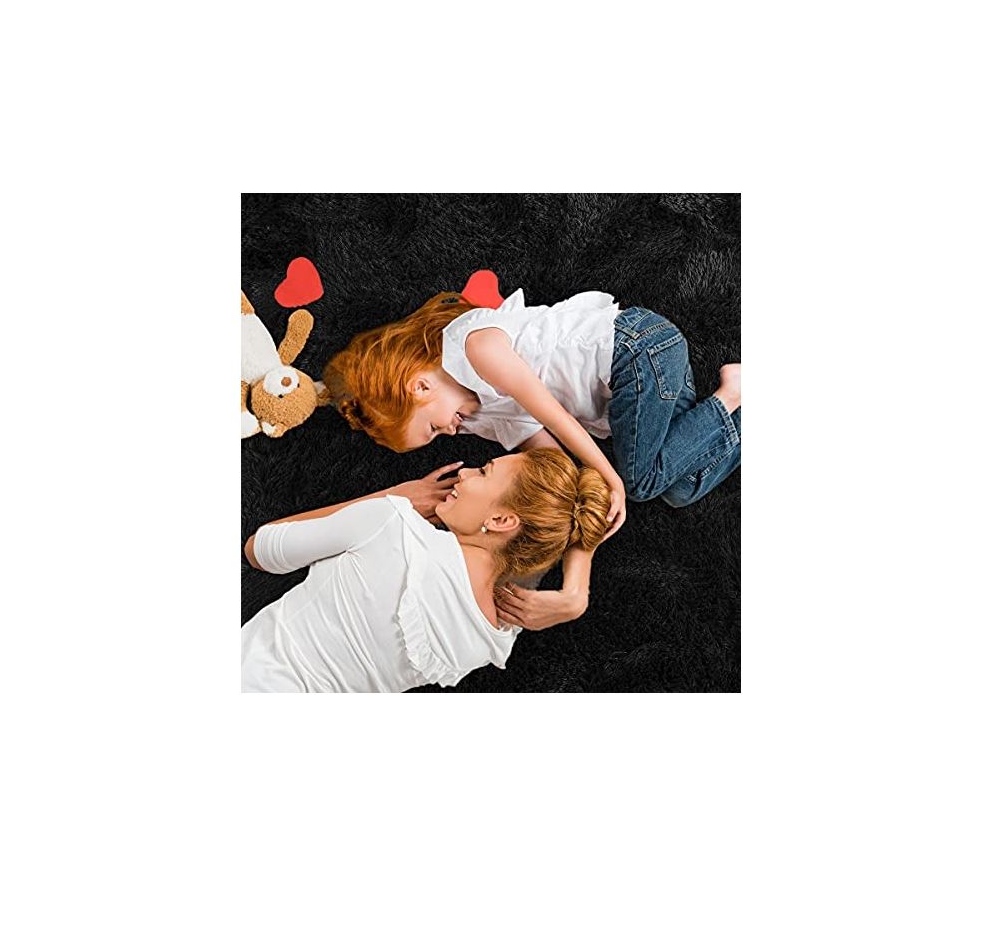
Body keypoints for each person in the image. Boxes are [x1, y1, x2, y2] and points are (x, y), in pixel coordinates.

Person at [320, 286, 741, 627]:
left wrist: (611, 476)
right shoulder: (482, 419)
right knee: (681, 488)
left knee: (640, 481)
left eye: (433, 427)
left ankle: (732, 394)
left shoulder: (474, 346)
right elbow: (564, 480)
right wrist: (576, 588)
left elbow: (553, 415)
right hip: (640, 391)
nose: (449, 432)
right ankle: (734, 404)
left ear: (419, 388)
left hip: (636, 351)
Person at [241, 449, 610, 693]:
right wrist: (576, 592)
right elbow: (563, 514)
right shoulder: (493, 638)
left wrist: (391, 496)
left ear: (500, 520)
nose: (465, 473)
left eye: (484, 472)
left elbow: (260, 550)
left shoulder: (391, 522)